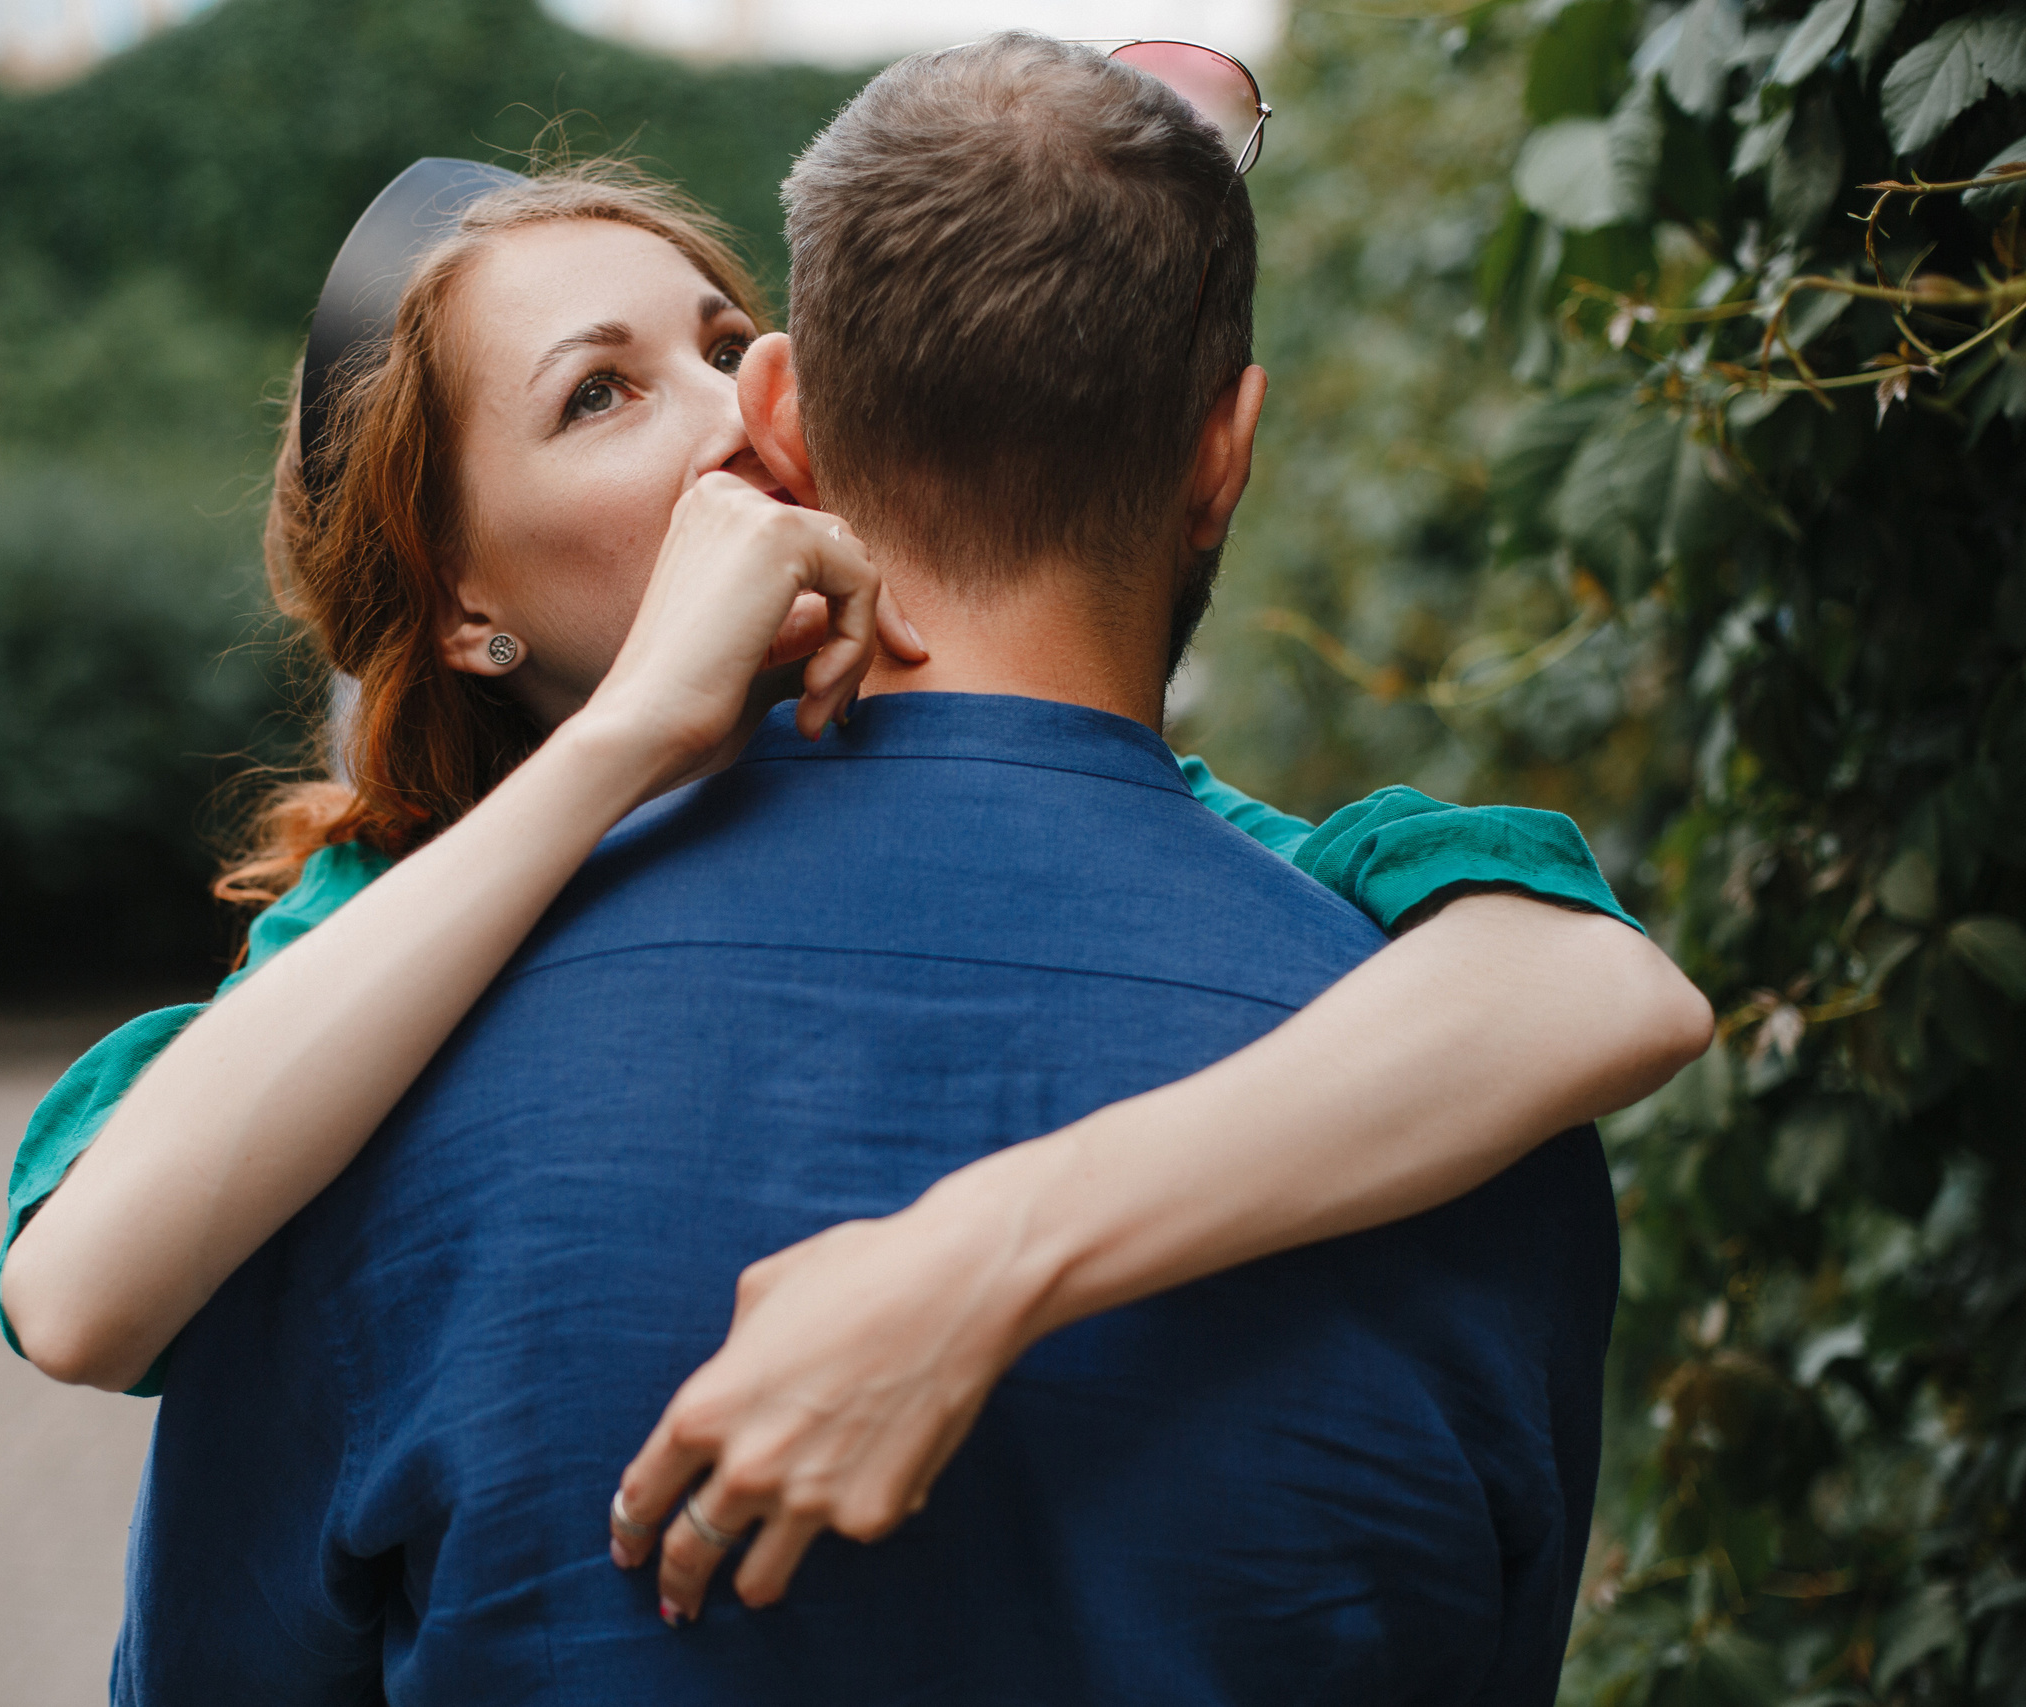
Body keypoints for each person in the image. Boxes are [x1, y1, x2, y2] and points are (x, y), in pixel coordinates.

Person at [93, 33, 1709, 1705]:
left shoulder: (370, 1126)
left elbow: (1602, 983)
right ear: (1226, 454)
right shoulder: (1445, 1109)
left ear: (791, 411)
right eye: (598, 395)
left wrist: (990, 1252)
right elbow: (80, 1280)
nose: (714, 428)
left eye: (723, 349)